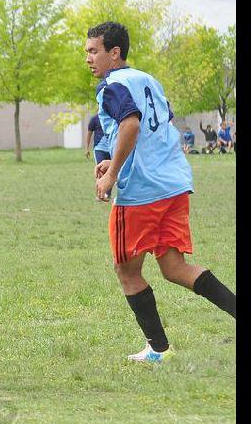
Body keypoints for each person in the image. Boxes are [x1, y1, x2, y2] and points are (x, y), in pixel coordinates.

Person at [85, 22, 235, 363]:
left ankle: (158, 349)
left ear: (114, 52)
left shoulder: (112, 84)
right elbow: (157, 126)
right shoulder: (148, 80)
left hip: (143, 191)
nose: (89, 58)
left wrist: (112, 176)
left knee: (127, 271)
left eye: (93, 51)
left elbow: (131, 124)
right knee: (174, 267)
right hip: (174, 183)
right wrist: (107, 160)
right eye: (87, 52)